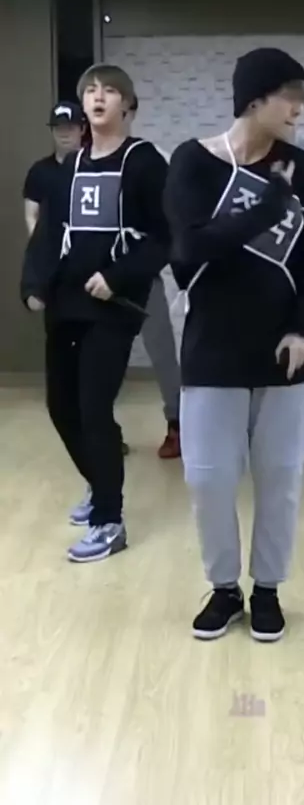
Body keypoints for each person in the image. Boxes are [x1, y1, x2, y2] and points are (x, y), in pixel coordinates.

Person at [164, 47, 304, 641]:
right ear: (255, 99)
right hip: (212, 347)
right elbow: (188, 249)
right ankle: (223, 588)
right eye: (291, 97)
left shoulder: (303, 168)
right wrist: (266, 206)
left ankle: (267, 590)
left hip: (285, 353)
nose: (300, 110)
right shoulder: (193, 161)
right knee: (209, 479)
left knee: (280, 478)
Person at [20, 63, 171, 563]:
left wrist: (119, 276)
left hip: (113, 306)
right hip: (67, 304)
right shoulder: (73, 166)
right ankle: (99, 482)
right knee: (61, 408)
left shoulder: (144, 162)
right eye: (91, 91)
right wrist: (34, 285)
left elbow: (166, 236)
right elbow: (49, 233)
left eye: (109, 91)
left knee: (93, 407)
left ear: (127, 104)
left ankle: (109, 519)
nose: (98, 97)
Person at [124, 96, 182, 459]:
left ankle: (177, 423)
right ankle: (102, 430)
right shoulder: (81, 163)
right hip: (93, 277)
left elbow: (169, 218)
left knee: (161, 351)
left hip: (143, 273)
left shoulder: (150, 157)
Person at [23, 102, 85, 235]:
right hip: (49, 243)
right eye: (59, 128)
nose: (64, 134)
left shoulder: (94, 169)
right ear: (52, 131)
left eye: (70, 128)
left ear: (82, 129)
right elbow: (31, 215)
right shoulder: (39, 171)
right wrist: (38, 243)